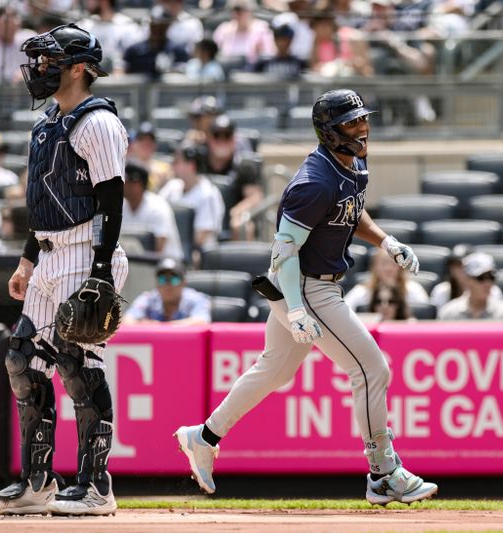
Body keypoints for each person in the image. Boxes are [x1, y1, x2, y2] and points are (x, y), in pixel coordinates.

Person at [174, 89, 438, 505]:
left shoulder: (352, 162)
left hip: (318, 282)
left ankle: (203, 437)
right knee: (372, 371)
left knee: (275, 371)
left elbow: (351, 209)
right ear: (328, 131)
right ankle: (383, 473)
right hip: (304, 283)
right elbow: (283, 252)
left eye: (362, 119)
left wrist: (386, 242)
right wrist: (295, 308)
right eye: (351, 123)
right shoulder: (314, 182)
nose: (362, 127)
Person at [0, 23, 129, 516]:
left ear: (80, 69)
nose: (39, 68)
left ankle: (96, 486)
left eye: (50, 61)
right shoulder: (47, 122)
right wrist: (27, 259)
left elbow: (111, 202)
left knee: (76, 362)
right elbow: (42, 200)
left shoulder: (97, 122)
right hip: (47, 253)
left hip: (87, 251)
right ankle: (37, 484)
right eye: (39, 60)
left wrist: (101, 271)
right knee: (22, 360)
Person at [159, 142, 225, 257]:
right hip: (172, 249)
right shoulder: (172, 186)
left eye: (177, 162)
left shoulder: (208, 193)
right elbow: (156, 210)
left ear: (191, 166)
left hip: (199, 254)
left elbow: (201, 237)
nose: (172, 165)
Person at [122, 159, 184, 261]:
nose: (122, 185)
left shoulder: (158, 207)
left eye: (126, 181)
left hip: (168, 268)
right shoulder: (121, 206)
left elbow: (157, 251)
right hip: (134, 265)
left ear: (137, 184)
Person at [124, 257, 211, 324]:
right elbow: (127, 320)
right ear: (157, 284)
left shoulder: (196, 299)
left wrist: (162, 327)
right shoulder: (148, 298)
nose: (167, 285)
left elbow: (202, 322)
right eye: (162, 279)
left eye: (174, 279)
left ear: (183, 283)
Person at [438, 252, 503, 320]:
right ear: (468, 280)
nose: (487, 283)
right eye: (481, 278)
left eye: (491, 277)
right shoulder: (449, 314)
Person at [345, 248, 429, 312]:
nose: (388, 269)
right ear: (375, 267)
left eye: (393, 264)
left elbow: (425, 316)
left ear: (401, 267)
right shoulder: (360, 292)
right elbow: (344, 315)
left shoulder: (414, 290)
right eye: (383, 264)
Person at [77, 0, 145, 74]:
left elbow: (137, 55)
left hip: (119, 78)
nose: (88, 2)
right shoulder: (85, 25)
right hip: (90, 75)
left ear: (104, 2)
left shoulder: (127, 26)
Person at [309, 9, 373, 77]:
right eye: (315, 30)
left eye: (322, 27)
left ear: (329, 24)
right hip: (328, 83)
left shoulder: (352, 36)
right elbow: (314, 66)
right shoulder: (317, 41)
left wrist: (346, 64)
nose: (318, 33)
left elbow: (366, 68)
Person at [213, 0, 275, 69]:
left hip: (252, 70)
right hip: (227, 70)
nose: (236, 14)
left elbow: (269, 54)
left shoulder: (262, 29)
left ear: (250, 11)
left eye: (240, 11)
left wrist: (260, 53)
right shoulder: (223, 29)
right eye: (234, 10)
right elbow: (213, 54)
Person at [127, 122, 172, 192]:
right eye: (141, 139)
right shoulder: (125, 167)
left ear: (155, 145)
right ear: (134, 144)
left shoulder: (164, 169)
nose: (146, 143)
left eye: (150, 140)